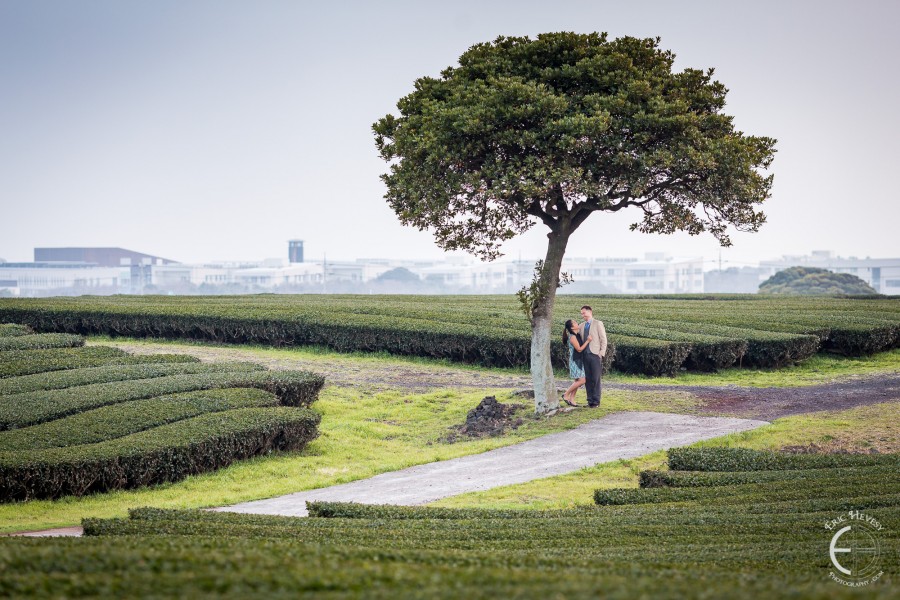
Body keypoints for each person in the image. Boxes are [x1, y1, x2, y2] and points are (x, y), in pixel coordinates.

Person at [578, 305, 608, 407]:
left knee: (596, 379)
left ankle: (596, 401)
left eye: (584, 313)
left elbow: (603, 339)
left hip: (595, 355)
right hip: (585, 356)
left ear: (590, 312)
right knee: (588, 379)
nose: (582, 315)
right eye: (581, 313)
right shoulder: (581, 325)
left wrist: (601, 353)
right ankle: (590, 401)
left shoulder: (598, 323)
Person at [562, 319, 590, 406]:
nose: (576, 323)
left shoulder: (576, 334)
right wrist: (588, 341)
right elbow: (579, 349)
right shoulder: (572, 337)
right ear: (572, 327)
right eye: (574, 323)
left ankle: (572, 399)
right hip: (575, 361)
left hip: (578, 360)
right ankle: (566, 394)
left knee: (577, 380)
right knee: (582, 380)